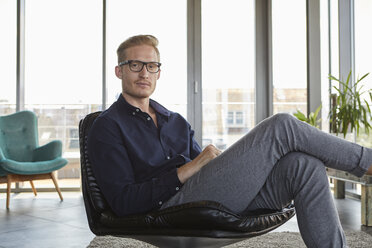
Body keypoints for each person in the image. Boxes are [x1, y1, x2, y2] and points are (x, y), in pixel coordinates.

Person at [88, 34, 372, 248]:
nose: (144, 73)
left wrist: (223, 165)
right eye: (135, 64)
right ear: (119, 70)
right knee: (282, 125)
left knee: (303, 164)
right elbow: (124, 202)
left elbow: (207, 175)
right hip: (171, 206)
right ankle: (367, 162)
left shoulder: (175, 121)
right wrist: (186, 170)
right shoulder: (108, 126)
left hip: (210, 197)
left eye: (151, 66)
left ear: (159, 72)